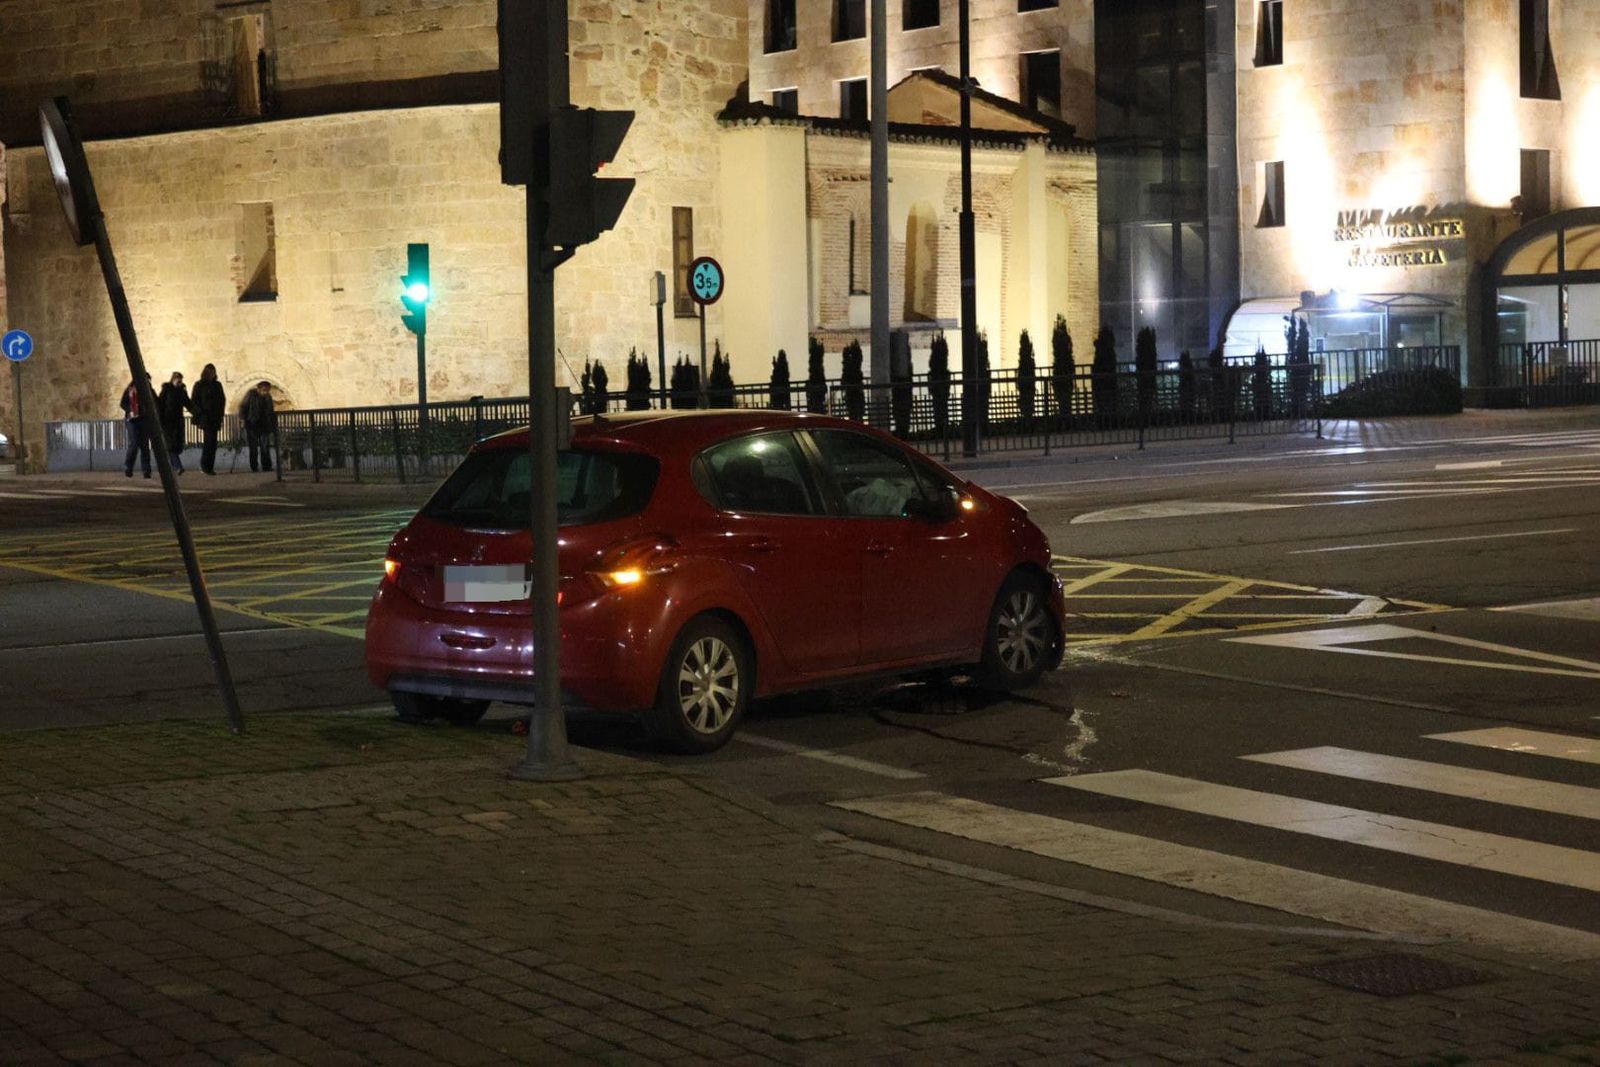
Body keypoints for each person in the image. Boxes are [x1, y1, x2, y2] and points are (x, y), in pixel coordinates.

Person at [191, 363, 226, 475]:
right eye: (209, 372)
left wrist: (220, 415)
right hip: (206, 418)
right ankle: (205, 466)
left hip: (215, 417)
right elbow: (195, 401)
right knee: (209, 442)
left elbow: (222, 400)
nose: (211, 374)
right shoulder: (199, 385)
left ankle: (209, 467)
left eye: (213, 372)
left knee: (213, 444)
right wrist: (200, 412)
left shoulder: (217, 385)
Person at [157, 371, 193, 474]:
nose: (180, 382)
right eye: (178, 380)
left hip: (178, 423)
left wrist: (197, 412)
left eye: (181, 381)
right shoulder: (167, 390)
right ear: (173, 379)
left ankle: (173, 466)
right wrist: (160, 419)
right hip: (168, 423)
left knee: (177, 446)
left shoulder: (182, 392)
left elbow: (188, 403)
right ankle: (178, 466)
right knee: (170, 446)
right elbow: (160, 404)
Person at [119, 376, 153, 479]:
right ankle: (128, 468)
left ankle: (146, 470)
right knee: (134, 444)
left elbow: (154, 402)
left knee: (144, 446)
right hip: (132, 420)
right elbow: (122, 403)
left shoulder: (149, 390)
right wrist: (130, 410)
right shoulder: (130, 389)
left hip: (143, 419)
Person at [242, 379, 277, 473]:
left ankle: (266, 466)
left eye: (267, 390)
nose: (266, 392)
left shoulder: (268, 397)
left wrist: (272, 424)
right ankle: (254, 466)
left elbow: (271, 412)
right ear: (259, 388)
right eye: (264, 389)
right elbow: (243, 407)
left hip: (264, 425)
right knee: (253, 447)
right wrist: (243, 419)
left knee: (265, 446)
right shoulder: (251, 395)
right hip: (252, 424)